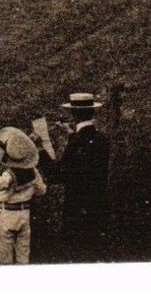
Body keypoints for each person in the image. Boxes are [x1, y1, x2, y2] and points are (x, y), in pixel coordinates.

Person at [49, 92, 112, 260]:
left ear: (73, 115)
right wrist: (71, 134)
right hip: (98, 208)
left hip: (77, 212)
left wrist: (40, 151)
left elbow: (57, 175)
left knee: (78, 254)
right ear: (93, 112)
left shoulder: (77, 143)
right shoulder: (102, 140)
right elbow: (84, 154)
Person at [0, 126, 46, 264]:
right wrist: (28, 191)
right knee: (23, 258)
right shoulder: (34, 172)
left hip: (7, 215)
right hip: (25, 214)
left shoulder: (8, 175)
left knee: (6, 259)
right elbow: (41, 190)